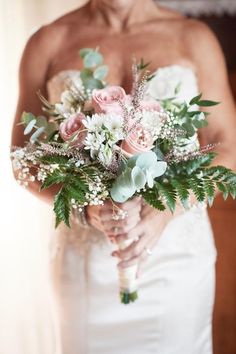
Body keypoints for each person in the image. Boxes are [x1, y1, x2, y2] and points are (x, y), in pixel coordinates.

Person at [11, 1, 236, 353]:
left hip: (176, 260)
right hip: (85, 262)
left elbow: (230, 149)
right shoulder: (47, 43)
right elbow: (23, 159)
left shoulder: (194, 38)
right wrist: (86, 206)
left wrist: (168, 206)